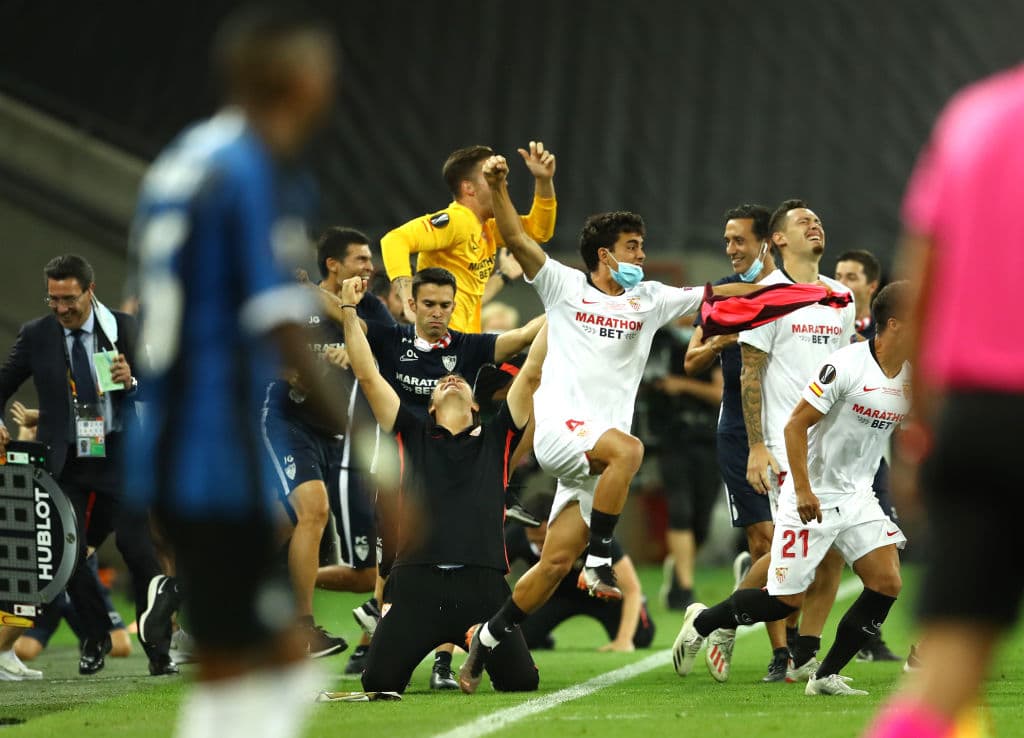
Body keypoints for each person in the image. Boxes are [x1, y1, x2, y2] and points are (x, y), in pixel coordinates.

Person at [458, 154, 763, 695]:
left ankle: (486, 637)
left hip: (594, 456)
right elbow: (517, 239)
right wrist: (503, 188)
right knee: (630, 450)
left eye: (642, 247)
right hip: (561, 433)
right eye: (633, 248)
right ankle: (600, 557)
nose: (641, 257)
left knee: (552, 564)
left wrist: (780, 285)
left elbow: (718, 296)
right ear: (605, 254)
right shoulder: (565, 287)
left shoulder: (649, 300)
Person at [127, 8, 341, 738]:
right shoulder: (247, 168)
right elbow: (278, 321)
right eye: (320, 66)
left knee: (258, 657)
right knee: (258, 666)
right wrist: (372, 455)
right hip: (211, 444)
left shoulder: (188, 156)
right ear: (293, 78)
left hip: (178, 434)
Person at [864, 64, 1024, 738]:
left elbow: (921, 279)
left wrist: (920, 434)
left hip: (978, 417)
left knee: (947, 671)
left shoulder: (976, 117)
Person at [673, 281, 910, 696]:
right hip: (812, 492)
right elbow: (795, 425)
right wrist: (802, 490)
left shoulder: (912, 376)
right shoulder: (846, 365)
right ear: (894, 324)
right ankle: (704, 621)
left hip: (858, 495)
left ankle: (823, 677)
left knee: (887, 582)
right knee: (785, 602)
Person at [335, 275, 541, 695]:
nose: (452, 380)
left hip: (482, 587)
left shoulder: (499, 435)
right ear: (428, 406)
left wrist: (574, 302)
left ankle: (475, 639)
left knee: (522, 682)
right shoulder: (409, 433)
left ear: (476, 404)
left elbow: (533, 368)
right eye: (443, 383)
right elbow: (368, 375)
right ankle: (449, 636)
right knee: (378, 684)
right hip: (417, 585)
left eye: (461, 381)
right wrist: (347, 310)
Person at [0, 254, 174, 676]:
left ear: (89, 291)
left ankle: (159, 653)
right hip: (68, 463)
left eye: (69, 299)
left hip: (120, 456)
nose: (60, 308)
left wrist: (131, 379)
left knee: (138, 551)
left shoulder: (124, 329)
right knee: (67, 555)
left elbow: (158, 390)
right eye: (53, 299)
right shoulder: (36, 335)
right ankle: (94, 636)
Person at [733, 199, 856, 683]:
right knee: (792, 550)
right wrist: (756, 445)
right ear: (779, 239)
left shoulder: (841, 297)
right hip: (786, 443)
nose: (816, 224)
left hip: (833, 447)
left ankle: (806, 653)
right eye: (804, 221)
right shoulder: (765, 294)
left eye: (819, 219)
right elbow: (749, 373)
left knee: (832, 552)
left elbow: (846, 373)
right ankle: (724, 624)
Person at [262, 226, 391, 658]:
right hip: (287, 421)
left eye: (371, 259)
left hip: (340, 437)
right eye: (360, 259)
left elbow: (383, 345)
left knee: (285, 528)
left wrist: (352, 346)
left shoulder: (369, 306)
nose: (370, 267)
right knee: (312, 513)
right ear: (333, 265)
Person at [683, 204, 786, 678]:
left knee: (796, 545)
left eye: (739, 240)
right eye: (727, 241)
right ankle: (780, 653)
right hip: (740, 433)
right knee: (766, 539)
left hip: (790, 430)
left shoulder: (796, 294)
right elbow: (691, 361)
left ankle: (724, 617)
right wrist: (726, 338)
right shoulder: (722, 295)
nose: (731, 249)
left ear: (766, 242)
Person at [381, 141, 557, 333]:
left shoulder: (487, 227)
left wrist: (543, 180)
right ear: (469, 188)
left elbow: (538, 231)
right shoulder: (457, 220)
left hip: (466, 342)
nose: (502, 183)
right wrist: (408, 300)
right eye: (490, 177)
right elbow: (393, 240)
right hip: (441, 340)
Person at [834, 248, 901, 663]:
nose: (842, 281)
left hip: (872, 460)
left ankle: (867, 640)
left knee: (884, 549)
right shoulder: (834, 328)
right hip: (831, 463)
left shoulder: (888, 335)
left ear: (871, 286)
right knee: (810, 566)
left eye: (852, 275)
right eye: (837, 274)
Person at [506, 493, 655, 652]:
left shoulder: (591, 533)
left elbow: (632, 589)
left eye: (545, 540)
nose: (541, 548)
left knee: (640, 638)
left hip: (600, 594)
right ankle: (542, 636)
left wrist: (624, 640)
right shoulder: (517, 534)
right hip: (554, 595)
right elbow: (496, 578)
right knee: (518, 641)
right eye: (534, 543)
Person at [643, 321, 722, 611]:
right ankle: (685, 588)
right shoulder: (658, 343)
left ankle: (678, 567)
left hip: (708, 439)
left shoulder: (712, 344)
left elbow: (719, 393)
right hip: (672, 439)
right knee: (680, 511)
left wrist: (682, 386)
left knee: (701, 522)